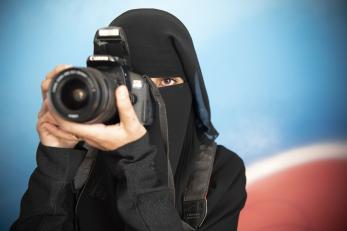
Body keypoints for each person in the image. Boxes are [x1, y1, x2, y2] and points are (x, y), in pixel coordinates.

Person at [10, 8, 247, 231]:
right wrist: (56, 157)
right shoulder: (79, 159)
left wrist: (135, 160)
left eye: (167, 82)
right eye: (139, 84)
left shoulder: (220, 170)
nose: (155, 98)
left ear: (191, 87)